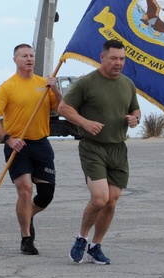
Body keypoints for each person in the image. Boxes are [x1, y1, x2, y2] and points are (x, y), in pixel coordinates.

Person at [58, 39, 140, 265]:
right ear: (102, 58)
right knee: (100, 197)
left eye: (122, 59)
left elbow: (135, 109)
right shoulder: (87, 83)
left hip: (118, 148)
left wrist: (135, 119)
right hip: (93, 147)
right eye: (113, 58)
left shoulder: (127, 84)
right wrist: (85, 123)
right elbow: (63, 108)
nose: (118, 63)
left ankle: (96, 246)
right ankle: (81, 237)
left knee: (112, 200)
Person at [0, 44, 61, 256]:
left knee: (46, 195)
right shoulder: (8, 87)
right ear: (15, 59)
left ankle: (29, 215)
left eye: (31, 55)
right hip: (18, 145)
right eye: (24, 56)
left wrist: (55, 88)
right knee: (25, 190)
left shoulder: (43, 84)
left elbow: (61, 107)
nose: (29, 59)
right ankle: (26, 237)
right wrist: (8, 139)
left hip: (41, 144)